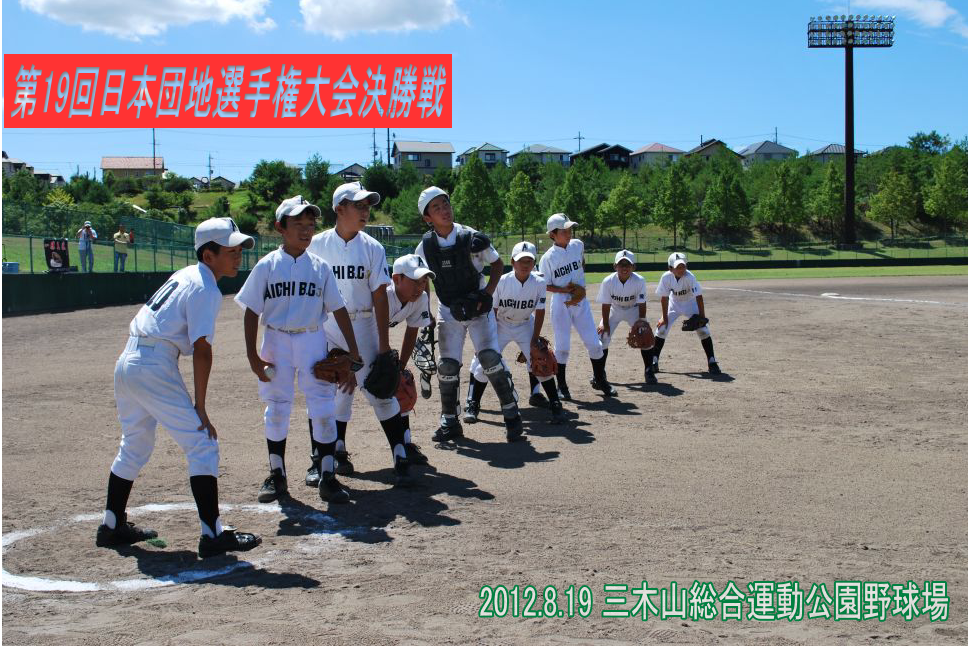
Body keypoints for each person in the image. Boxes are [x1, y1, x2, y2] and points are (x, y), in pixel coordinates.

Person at [96, 216, 262, 559]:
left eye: (239, 250)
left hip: (128, 362)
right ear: (209, 255)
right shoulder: (205, 286)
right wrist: (200, 406)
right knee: (202, 443)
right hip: (153, 364)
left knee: (135, 444)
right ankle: (212, 534)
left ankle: (112, 525)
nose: (238, 255)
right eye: (230, 250)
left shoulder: (185, 275)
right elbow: (202, 350)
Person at [235, 196, 364, 505]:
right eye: (298, 224)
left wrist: (354, 351)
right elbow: (251, 311)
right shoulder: (267, 265)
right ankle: (277, 475)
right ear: (280, 227)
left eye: (310, 225)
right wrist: (253, 357)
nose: (306, 231)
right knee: (277, 407)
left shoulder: (320, 267)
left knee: (323, 407)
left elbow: (339, 309)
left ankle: (327, 476)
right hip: (276, 339)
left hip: (312, 339)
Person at [306, 182, 415, 487]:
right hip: (328, 326)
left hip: (363, 323)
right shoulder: (316, 245)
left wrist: (383, 346)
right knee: (325, 393)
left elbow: (380, 297)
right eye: (359, 205)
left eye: (368, 205)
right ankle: (322, 458)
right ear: (339, 209)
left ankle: (400, 455)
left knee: (380, 391)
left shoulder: (372, 247)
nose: (365, 211)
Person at [415, 186, 523, 443]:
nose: (444, 210)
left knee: (489, 359)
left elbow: (497, 264)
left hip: (477, 308)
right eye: (436, 207)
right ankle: (450, 421)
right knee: (447, 365)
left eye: (446, 204)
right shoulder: (425, 247)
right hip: (448, 308)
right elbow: (422, 279)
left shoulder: (471, 236)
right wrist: (425, 312)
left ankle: (511, 415)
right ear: (428, 217)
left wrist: (487, 294)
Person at [464, 241, 567, 425]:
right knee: (484, 363)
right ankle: (473, 404)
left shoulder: (539, 282)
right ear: (512, 262)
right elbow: (493, 311)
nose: (525, 264)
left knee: (541, 359)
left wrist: (535, 339)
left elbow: (540, 311)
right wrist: (486, 339)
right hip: (500, 324)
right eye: (521, 260)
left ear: (534, 263)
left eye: (529, 261)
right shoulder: (502, 281)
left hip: (525, 324)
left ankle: (555, 404)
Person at [538, 213, 616, 399]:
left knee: (595, 344)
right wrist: (563, 289)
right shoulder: (547, 258)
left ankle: (600, 379)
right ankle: (562, 386)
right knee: (562, 347)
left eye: (570, 229)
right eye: (564, 231)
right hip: (561, 303)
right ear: (552, 234)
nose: (569, 233)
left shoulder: (578, 245)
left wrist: (579, 286)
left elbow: (582, 264)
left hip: (580, 301)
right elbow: (544, 285)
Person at [385, 254, 436, 465]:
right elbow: (368, 331)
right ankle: (336, 449)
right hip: (349, 340)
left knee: (401, 388)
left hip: (375, 340)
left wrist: (400, 367)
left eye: (423, 281)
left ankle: (405, 444)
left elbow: (411, 331)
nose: (420, 286)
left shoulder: (421, 298)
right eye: (415, 281)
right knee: (343, 394)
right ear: (397, 279)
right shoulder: (383, 295)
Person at [650, 252, 722, 375]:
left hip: (690, 304)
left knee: (704, 330)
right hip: (674, 304)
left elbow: (699, 297)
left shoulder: (690, 277)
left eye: (683, 266)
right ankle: (654, 361)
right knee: (661, 329)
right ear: (670, 268)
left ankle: (712, 362)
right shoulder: (666, 277)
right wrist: (664, 318)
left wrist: (702, 317)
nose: (681, 269)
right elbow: (664, 298)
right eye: (678, 267)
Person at [597, 250, 654, 384]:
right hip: (614, 309)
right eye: (621, 264)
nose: (624, 267)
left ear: (633, 267)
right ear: (615, 266)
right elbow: (606, 304)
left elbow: (642, 303)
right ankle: (600, 373)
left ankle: (649, 370)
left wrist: (642, 321)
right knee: (602, 337)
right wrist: (605, 324)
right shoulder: (608, 281)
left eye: (627, 264)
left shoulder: (639, 280)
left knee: (645, 335)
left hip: (633, 309)